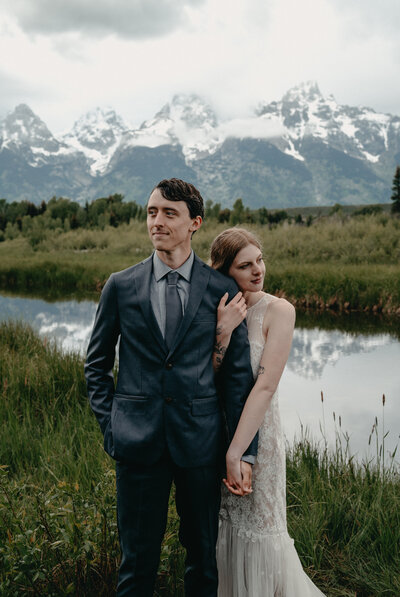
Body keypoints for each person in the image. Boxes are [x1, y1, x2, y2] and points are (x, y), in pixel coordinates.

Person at [84, 179, 257, 597]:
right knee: (136, 565)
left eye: (169, 213)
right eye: (151, 212)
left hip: (200, 444)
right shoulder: (120, 286)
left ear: (194, 222)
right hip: (137, 446)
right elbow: (96, 366)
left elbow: (237, 380)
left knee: (202, 561)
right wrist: (113, 429)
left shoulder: (222, 289)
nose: (156, 221)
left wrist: (243, 450)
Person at [210, 227, 326, 597]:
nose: (258, 270)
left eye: (259, 259)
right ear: (225, 271)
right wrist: (222, 334)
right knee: (223, 525)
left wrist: (239, 452)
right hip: (215, 430)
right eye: (245, 266)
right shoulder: (215, 309)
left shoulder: (279, 311)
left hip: (261, 435)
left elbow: (265, 385)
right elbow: (204, 378)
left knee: (261, 525)